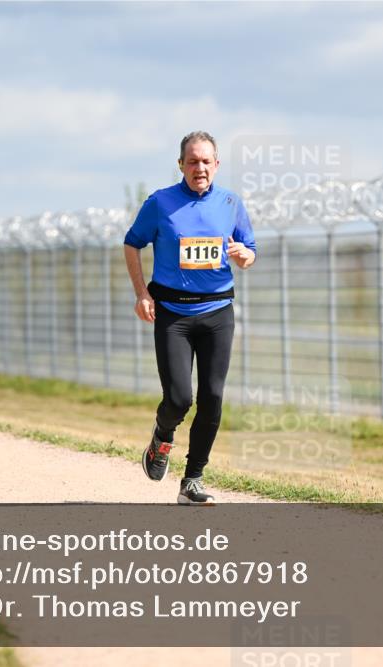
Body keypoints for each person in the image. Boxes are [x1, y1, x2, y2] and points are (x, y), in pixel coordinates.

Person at [123, 131, 256, 505]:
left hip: (217, 312)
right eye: (193, 161)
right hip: (173, 314)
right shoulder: (160, 203)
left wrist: (244, 256)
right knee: (180, 398)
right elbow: (132, 243)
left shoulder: (231, 203)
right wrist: (141, 293)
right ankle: (162, 436)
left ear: (216, 165)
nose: (200, 168)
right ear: (181, 164)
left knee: (212, 397)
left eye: (206, 161)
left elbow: (250, 251)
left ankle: (192, 480)